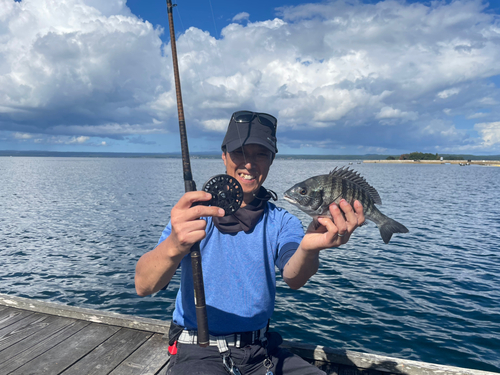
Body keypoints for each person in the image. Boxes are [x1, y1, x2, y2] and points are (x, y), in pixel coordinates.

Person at [135, 110, 365, 375]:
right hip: (198, 349)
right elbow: (144, 285)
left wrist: (308, 248)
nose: (249, 163)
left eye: (261, 154)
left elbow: (294, 276)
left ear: (270, 162)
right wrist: (174, 244)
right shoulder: (193, 216)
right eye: (240, 152)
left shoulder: (282, 221)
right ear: (224, 156)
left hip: (260, 351)